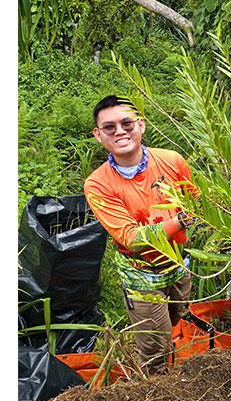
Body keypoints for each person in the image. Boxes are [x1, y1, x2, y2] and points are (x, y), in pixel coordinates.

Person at [83, 95, 195, 374]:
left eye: (126, 123)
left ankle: (172, 368)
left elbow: (197, 203)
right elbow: (133, 239)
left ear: (141, 125)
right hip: (142, 274)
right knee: (154, 349)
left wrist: (189, 217)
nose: (120, 131)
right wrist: (182, 220)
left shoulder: (172, 161)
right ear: (98, 135)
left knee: (175, 321)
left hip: (179, 264)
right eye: (109, 127)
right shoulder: (98, 184)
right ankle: (157, 395)